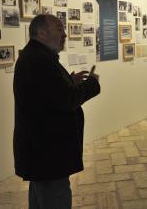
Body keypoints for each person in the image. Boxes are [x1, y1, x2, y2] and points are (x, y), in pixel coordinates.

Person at [13, 14, 100, 209]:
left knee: (41, 195)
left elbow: (48, 93)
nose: (65, 34)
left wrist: (69, 81)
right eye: (59, 29)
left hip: (41, 149)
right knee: (54, 196)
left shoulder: (36, 56)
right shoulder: (40, 61)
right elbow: (67, 99)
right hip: (48, 151)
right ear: (42, 33)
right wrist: (92, 83)